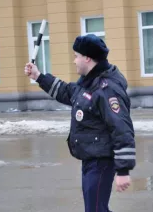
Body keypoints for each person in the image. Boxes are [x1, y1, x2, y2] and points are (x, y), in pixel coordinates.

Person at [24, 34, 135, 212]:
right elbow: (67, 92)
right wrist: (38, 76)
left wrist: (123, 170)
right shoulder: (88, 83)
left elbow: (122, 128)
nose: (74, 60)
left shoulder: (106, 89)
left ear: (87, 58)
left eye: (76, 56)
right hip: (90, 159)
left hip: (101, 161)